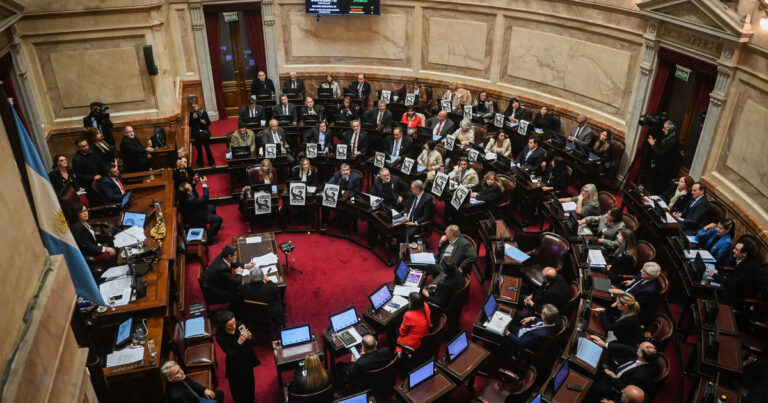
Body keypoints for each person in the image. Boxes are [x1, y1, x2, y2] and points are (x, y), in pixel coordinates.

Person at [586, 342, 659, 403]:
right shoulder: (646, 356)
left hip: (617, 388)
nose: (637, 348)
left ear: (641, 355)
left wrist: (614, 378)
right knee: (595, 367)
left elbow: (628, 393)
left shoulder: (641, 376)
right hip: (615, 373)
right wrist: (605, 344)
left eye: (639, 348)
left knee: (594, 387)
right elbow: (627, 349)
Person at [214, 310, 260, 403]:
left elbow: (254, 342)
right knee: (238, 389)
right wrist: (239, 343)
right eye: (230, 325)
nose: (234, 326)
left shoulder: (240, 325)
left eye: (234, 323)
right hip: (235, 366)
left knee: (250, 383)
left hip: (247, 360)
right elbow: (230, 354)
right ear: (223, 326)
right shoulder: (220, 336)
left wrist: (251, 338)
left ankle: (251, 399)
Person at [179, 177, 222, 244]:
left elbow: (191, 188)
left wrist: (194, 181)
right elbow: (205, 198)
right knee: (219, 219)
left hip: (195, 210)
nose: (190, 185)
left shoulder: (184, 194)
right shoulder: (190, 200)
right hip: (196, 217)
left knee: (212, 207)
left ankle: (213, 227)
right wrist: (204, 184)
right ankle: (209, 238)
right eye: (189, 185)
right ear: (188, 192)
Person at [321, 164, 362, 228]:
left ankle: (347, 227)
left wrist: (347, 195)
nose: (345, 172)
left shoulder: (356, 177)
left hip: (349, 198)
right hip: (338, 197)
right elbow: (330, 183)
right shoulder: (336, 175)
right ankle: (324, 223)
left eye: (347, 170)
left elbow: (357, 191)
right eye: (343, 170)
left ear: (350, 170)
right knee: (325, 203)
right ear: (340, 171)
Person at [646, 120, 679, 194]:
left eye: (665, 128)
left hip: (664, 169)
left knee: (658, 188)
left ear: (670, 129)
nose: (662, 129)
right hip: (659, 165)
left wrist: (652, 144)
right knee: (653, 185)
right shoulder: (669, 135)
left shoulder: (673, 141)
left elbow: (660, 153)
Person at [189, 103, 215, 167]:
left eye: (195, 106)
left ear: (198, 106)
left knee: (207, 149)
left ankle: (211, 162)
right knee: (199, 150)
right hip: (196, 135)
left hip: (204, 134)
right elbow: (190, 124)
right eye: (193, 107)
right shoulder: (192, 114)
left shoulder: (203, 113)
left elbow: (208, 123)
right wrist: (193, 118)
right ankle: (200, 163)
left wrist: (204, 122)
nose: (194, 108)